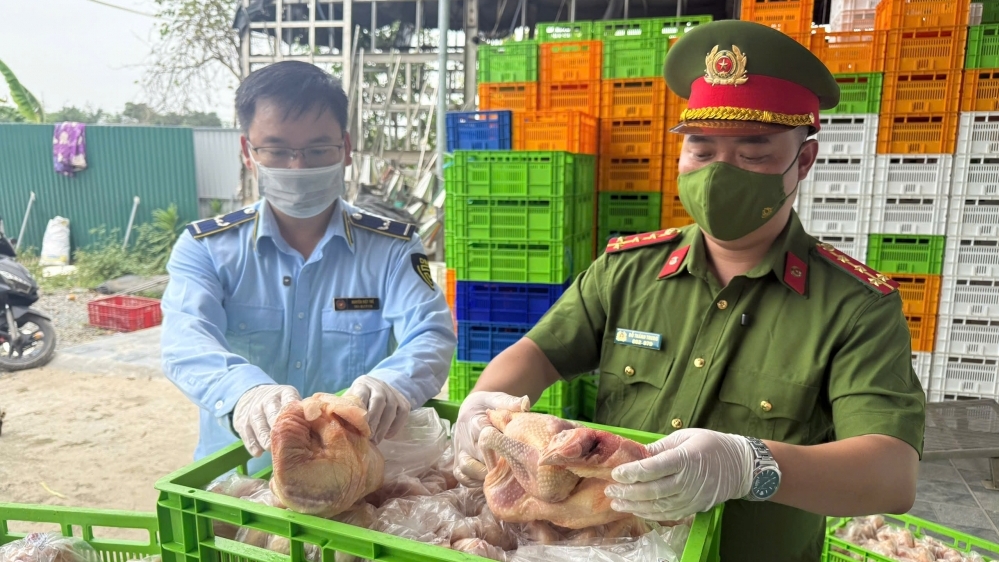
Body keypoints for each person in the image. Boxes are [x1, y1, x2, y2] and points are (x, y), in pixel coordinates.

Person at [452, 20, 925, 561]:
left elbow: (891, 473)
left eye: (753, 154)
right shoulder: (627, 270)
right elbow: (536, 355)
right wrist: (485, 407)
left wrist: (748, 465)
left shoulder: (855, 307)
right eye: (701, 151)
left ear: (804, 160)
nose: (720, 174)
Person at [160, 61, 457, 473]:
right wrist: (245, 392)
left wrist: (393, 383)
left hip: (354, 478)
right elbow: (186, 342)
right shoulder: (206, 248)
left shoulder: (393, 247)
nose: (297, 167)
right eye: (277, 150)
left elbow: (430, 332)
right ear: (248, 152)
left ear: (346, 149)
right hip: (238, 480)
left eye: (318, 150)